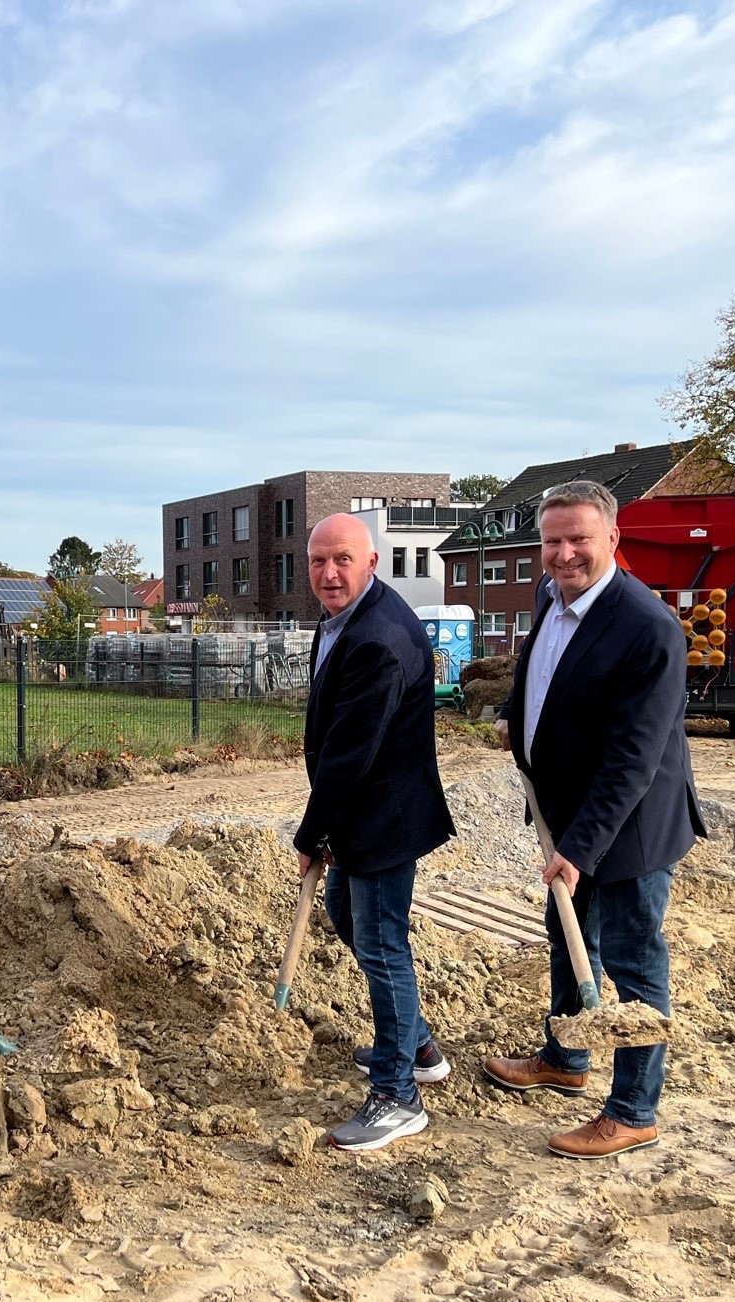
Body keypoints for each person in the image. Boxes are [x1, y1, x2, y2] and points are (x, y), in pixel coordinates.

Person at [484, 480, 703, 1159]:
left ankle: (634, 1110)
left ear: (613, 539)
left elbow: (633, 759)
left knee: (635, 966)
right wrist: (513, 719)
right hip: (567, 812)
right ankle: (566, 1058)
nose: (565, 553)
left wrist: (579, 849)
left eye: (579, 539)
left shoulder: (648, 627)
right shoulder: (550, 594)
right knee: (567, 937)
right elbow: (541, 676)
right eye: (553, 541)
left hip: (630, 824)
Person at [294, 513, 455, 1152]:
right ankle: (416, 1046)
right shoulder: (345, 622)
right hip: (364, 809)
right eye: (317, 562)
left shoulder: (378, 639)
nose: (329, 573)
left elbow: (349, 754)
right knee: (347, 914)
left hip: (384, 813)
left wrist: (313, 831)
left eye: (342, 560)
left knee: (383, 944)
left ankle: (397, 1094)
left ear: (372, 563)